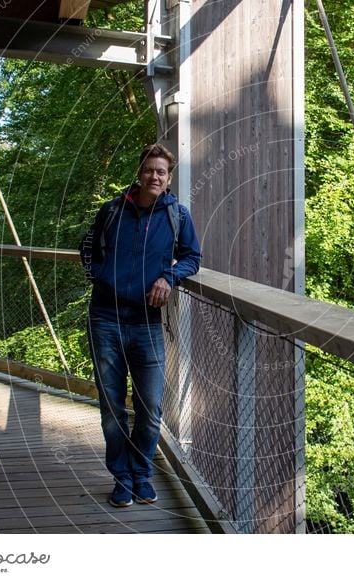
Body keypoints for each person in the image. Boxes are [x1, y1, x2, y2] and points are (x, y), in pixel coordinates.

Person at [80, 143, 201, 507]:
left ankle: (142, 473)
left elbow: (193, 257)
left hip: (147, 325)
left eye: (161, 172)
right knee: (112, 408)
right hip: (105, 322)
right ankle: (122, 478)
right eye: (149, 169)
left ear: (168, 179)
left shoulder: (176, 216)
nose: (154, 176)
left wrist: (169, 276)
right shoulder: (113, 211)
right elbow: (87, 248)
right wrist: (101, 278)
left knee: (150, 409)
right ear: (140, 172)